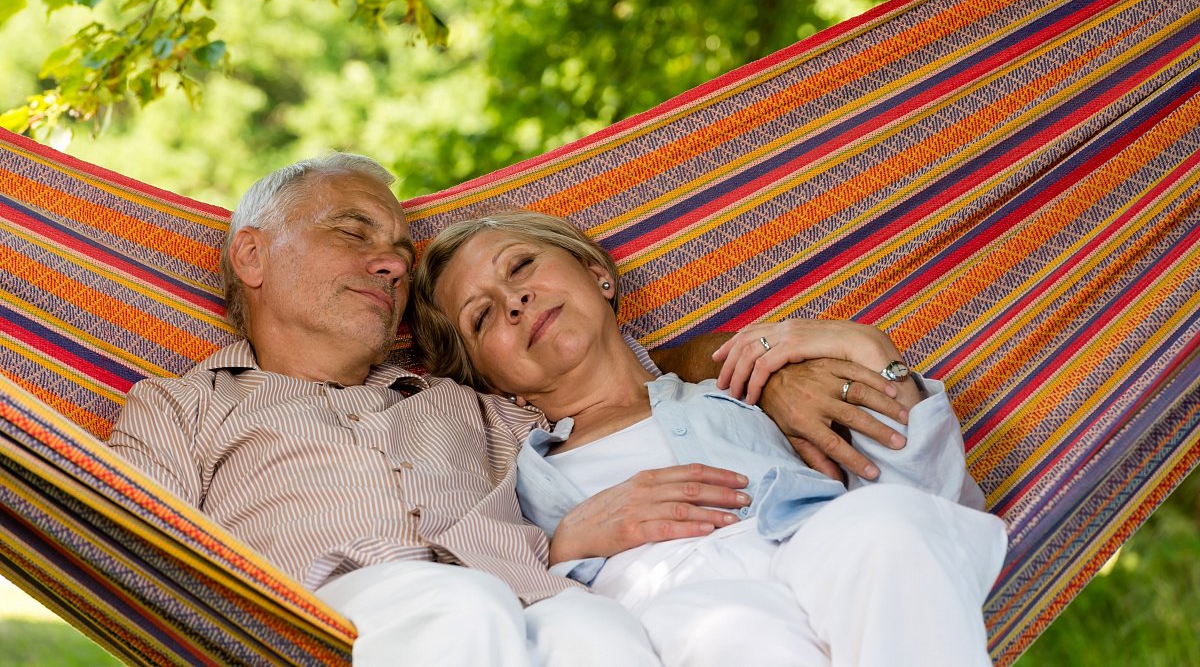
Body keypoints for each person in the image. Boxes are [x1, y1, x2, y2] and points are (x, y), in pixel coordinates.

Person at [105, 153, 912, 667]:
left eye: (397, 251)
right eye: (354, 232)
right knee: (461, 605)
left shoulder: (472, 403)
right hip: (316, 617)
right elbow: (130, 550)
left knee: (601, 636)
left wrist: (762, 370)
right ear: (251, 252)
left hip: (532, 600)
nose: (388, 261)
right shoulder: (182, 405)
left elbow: (605, 380)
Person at [410, 209, 1010, 667]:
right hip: (674, 601)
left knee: (892, 528)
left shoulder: (744, 391)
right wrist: (564, 546)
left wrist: (868, 349)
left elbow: (931, 503)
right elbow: (479, 585)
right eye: (481, 317)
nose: (512, 301)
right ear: (488, 378)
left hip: (810, 543)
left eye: (521, 267)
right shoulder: (509, 467)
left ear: (599, 276)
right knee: (735, 634)